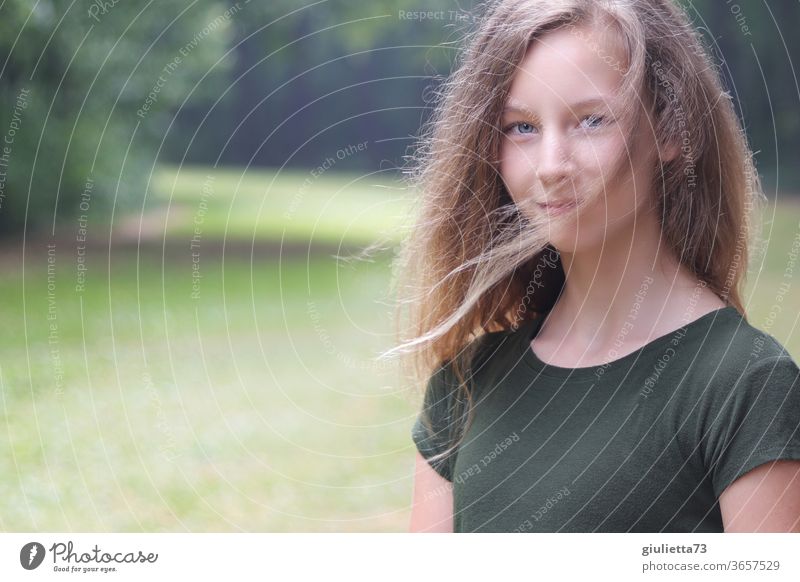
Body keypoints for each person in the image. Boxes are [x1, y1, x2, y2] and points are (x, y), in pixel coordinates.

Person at [385, 0, 800, 532]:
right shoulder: (467, 383)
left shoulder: (746, 387)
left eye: (591, 120)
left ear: (670, 129)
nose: (553, 166)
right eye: (522, 128)